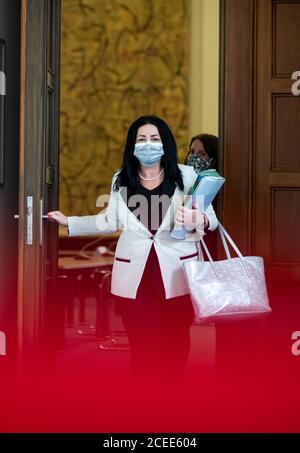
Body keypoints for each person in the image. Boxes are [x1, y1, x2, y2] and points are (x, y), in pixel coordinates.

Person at [48, 116, 218, 388]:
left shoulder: (187, 175)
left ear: (165, 143)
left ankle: (172, 401)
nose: (148, 145)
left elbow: (211, 219)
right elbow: (109, 221)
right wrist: (70, 221)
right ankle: (144, 407)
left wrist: (199, 220)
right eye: (141, 139)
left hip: (178, 276)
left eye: (154, 139)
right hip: (135, 278)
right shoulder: (122, 177)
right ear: (132, 144)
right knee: (144, 347)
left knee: (175, 344)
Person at [184, 133, 220, 260]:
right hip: (184, 250)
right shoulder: (179, 182)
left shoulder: (218, 188)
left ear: (213, 159)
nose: (194, 157)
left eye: (202, 154)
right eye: (192, 152)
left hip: (211, 251)